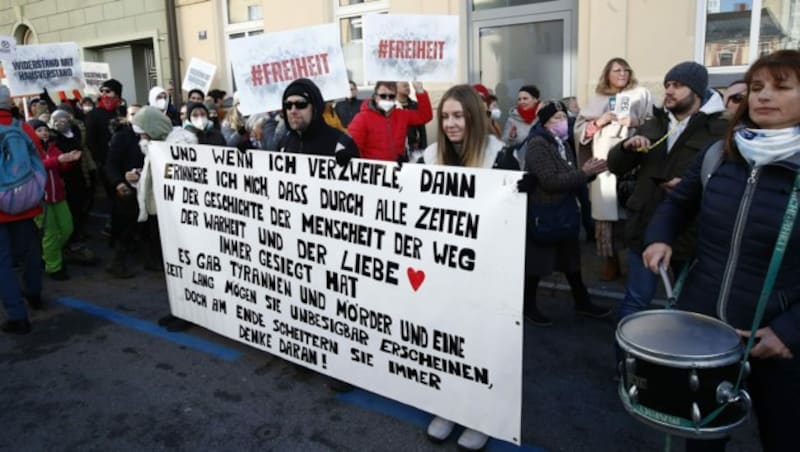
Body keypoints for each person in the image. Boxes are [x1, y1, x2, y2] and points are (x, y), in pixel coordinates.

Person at [642, 49, 800, 452]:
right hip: (705, 328)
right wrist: (659, 236)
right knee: (702, 435)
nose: (763, 96)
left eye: (781, 87)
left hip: (776, 339)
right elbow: (678, 204)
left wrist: (788, 331)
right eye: (758, 87)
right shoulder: (719, 153)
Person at [417, 84, 517, 451]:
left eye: (458, 115)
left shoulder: (500, 157)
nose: (450, 123)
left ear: (474, 117)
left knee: (480, 346)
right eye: (445, 116)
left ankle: (482, 417)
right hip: (442, 272)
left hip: (487, 275)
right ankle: (447, 406)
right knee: (445, 342)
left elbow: (513, 221)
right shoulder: (428, 156)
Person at [608, 61, 727, 323]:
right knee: (635, 303)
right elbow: (615, 166)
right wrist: (627, 147)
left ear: (697, 91)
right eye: (668, 85)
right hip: (645, 226)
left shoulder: (718, 129)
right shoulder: (655, 122)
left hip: (690, 232)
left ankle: (674, 361)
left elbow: (729, 181)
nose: (670, 91)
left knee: (687, 309)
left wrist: (690, 185)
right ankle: (627, 362)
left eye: (678, 85)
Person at [520, 101, 611, 326]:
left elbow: (571, 176)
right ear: (545, 122)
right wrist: (584, 173)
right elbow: (550, 181)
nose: (563, 122)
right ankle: (528, 307)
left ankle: (582, 302)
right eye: (557, 118)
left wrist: (589, 172)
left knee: (572, 263)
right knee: (537, 265)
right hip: (544, 213)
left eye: (564, 116)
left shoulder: (562, 143)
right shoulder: (537, 145)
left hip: (564, 213)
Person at [575, 57, 654, 281]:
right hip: (604, 164)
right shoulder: (597, 98)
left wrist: (636, 122)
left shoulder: (641, 94)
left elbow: (657, 123)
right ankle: (611, 261)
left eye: (625, 70)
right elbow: (580, 131)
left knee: (632, 212)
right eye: (616, 70)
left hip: (633, 161)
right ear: (607, 74)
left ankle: (638, 263)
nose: (622, 73)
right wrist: (599, 121)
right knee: (606, 217)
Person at [0, 85, 44, 333]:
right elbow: (37, 156)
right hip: (26, 202)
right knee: (30, 252)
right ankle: (35, 293)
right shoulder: (23, 127)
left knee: (3, 262)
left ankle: (18, 316)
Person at [29, 119, 81, 280]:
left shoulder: (53, 148)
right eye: (39, 130)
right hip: (40, 199)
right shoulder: (28, 151)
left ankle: (49, 255)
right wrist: (58, 160)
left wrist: (70, 160)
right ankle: (54, 267)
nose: (44, 133)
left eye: (45, 129)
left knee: (67, 228)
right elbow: (37, 166)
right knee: (49, 234)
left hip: (58, 195)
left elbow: (61, 167)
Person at [49, 109, 96, 265]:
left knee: (81, 206)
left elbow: (82, 147)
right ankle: (69, 243)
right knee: (70, 211)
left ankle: (77, 235)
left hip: (80, 173)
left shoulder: (76, 131)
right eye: (55, 120)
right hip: (65, 178)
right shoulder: (53, 138)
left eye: (62, 119)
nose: (59, 123)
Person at [348, 81, 432, 161]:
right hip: (374, 171)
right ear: (375, 96)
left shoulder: (401, 115)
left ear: (395, 98)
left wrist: (420, 91)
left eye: (391, 96)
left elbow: (425, 116)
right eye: (383, 96)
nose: (387, 99)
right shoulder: (362, 118)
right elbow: (352, 148)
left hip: (396, 169)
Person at [278, 78, 358, 160]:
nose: (293, 111)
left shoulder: (342, 144)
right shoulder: (284, 143)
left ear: (315, 108)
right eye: (288, 105)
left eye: (301, 104)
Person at [502, 85, 542, 151]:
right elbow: (505, 143)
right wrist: (511, 138)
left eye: (525, 98)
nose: (521, 102)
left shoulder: (543, 116)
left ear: (535, 99)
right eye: (519, 99)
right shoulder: (512, 119)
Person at [397, 81, 428, 154]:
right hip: (398, 149)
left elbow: (422, 130)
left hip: (414, 148)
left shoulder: (415, 105)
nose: (407, 87)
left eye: (408, 86)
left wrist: (423, 148)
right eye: (404, 86)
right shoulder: (391, 106)